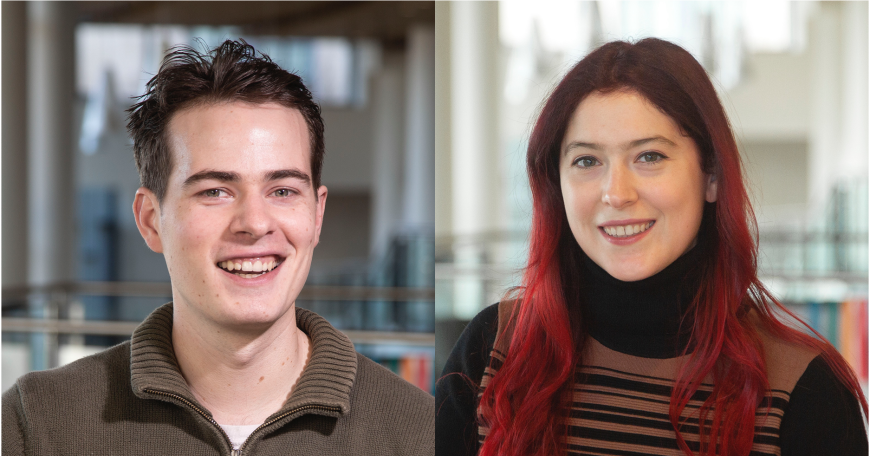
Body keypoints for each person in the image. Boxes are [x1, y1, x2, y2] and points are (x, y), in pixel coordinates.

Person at [436, 38, 868, 456]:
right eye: (587, 161)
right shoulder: (493, 351)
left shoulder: (804, 388)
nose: (616, 193)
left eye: (649, 157)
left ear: (712, 176)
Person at [2, 40, 433, 455]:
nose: (255, 223)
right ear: (151, 220)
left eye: (282, 191)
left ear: (316, 215)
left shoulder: (419, 432)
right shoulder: (38, 425)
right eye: (215, 191)